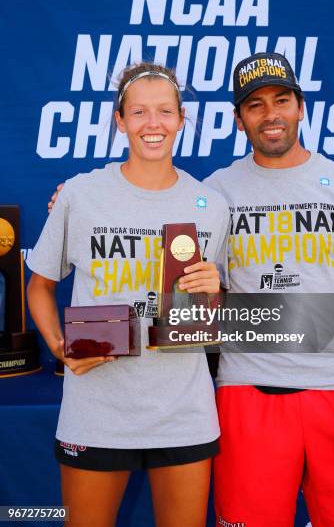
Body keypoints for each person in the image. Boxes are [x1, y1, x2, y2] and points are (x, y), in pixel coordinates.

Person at [27, 62, 230, 527]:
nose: (152, 125)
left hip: (184, 410)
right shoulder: (80, 194)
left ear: (182, 119)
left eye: (164, 112)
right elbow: (39, 285)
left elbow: (213, 314)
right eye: (139, 113)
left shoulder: (211, 206)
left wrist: (215, 293)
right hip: (96, 409)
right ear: (120, 120)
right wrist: (62, 346)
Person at [203, 52, 334, 526]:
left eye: (281, 100)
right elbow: (182, 287)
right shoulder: (215, 192)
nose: (271, 114)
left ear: (300, 107)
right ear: (238, 118)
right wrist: (80, 200)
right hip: (246, 395)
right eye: (255, 105)